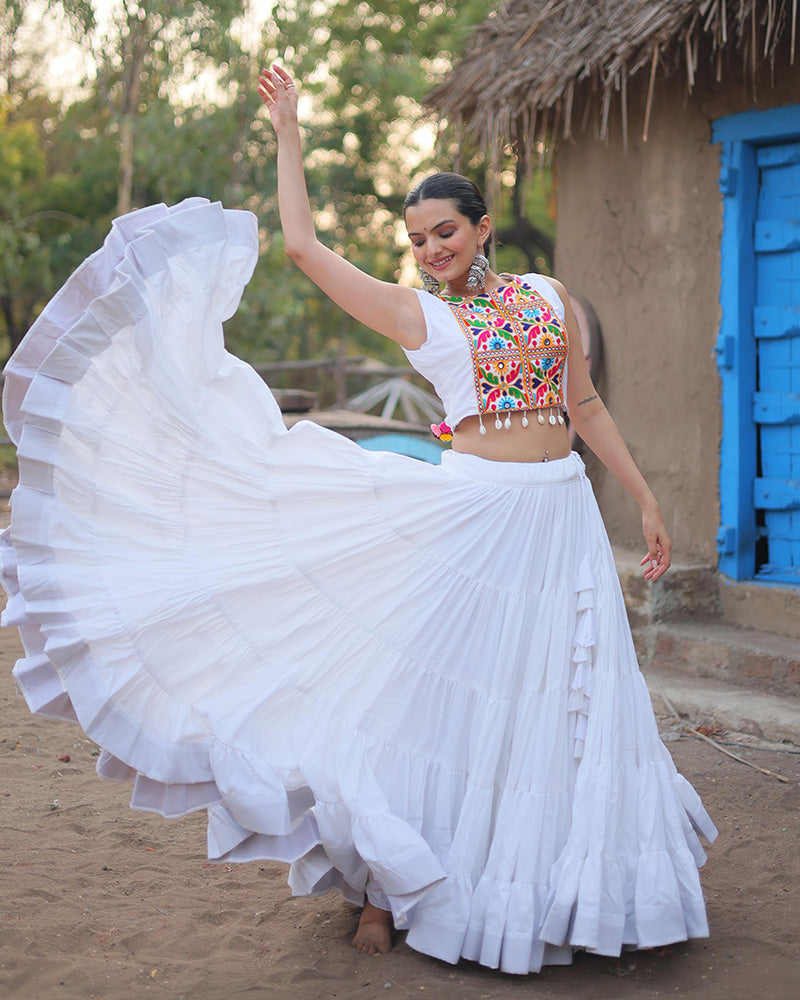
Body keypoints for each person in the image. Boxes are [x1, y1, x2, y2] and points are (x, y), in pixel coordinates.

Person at [0, 64, 716, 977]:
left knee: (552, 707)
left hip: (561, 519)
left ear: (482, 227)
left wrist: (646, 497)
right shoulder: (418, 317)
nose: (430, 250)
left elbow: (587, 407)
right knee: (429, 701)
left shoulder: (549, 298)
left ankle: (554, 885)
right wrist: (289, 130)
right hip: (472, 520)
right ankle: (384, 887)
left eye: (445, 232)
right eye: (416, 239)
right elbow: (303, 249)